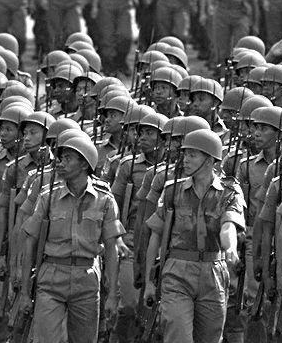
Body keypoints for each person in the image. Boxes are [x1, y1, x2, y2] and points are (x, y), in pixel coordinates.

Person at [19, 135, 125, 343]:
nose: (60, 163)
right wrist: (24, 292)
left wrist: (113, 293)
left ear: (84, 163)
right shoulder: (47, 197)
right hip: (51, 278)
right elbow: (29, 242)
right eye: (60, 158)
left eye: (68, 158)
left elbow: (112, 249)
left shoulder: (104, 200)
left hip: (86, 279)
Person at [143, 128, 244, 343]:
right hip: (177, 271)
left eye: (192, 155)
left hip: (213, 272)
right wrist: (149, 282)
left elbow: (229, 226)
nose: (185, 160)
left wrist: (231, 249)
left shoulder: (229, 192)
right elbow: (156, 235)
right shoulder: (172, 191)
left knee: (210, 337)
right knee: (178, 334)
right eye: (185, 154)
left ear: (209, 160)